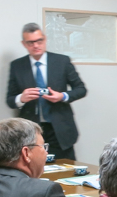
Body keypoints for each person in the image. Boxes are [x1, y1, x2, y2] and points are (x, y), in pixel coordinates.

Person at [6, 23, 87, 161]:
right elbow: (10, 100)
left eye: (39, 41)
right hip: (31, 130)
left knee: (65, 169)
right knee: (34, 171)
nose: (36, 45)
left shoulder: (62, 61)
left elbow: (81, 89)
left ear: (45, 39)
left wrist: (62, 96)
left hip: (60, 128)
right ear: (24, 44)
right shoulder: (17, 66)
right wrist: (22, 98)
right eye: (31, 42)